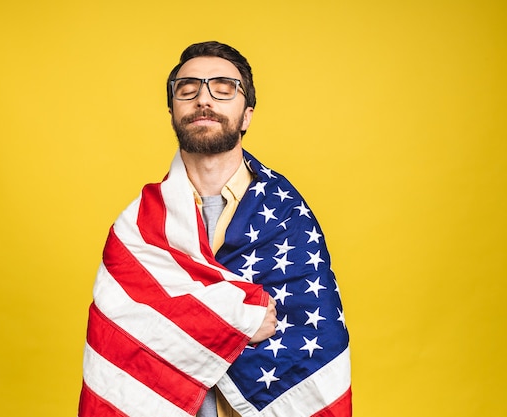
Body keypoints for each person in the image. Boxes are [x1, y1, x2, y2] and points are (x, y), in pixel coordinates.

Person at [79, 41, 351, 417]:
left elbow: (313, 339)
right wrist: (239, 319)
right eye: (187, 90)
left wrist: (196, 320)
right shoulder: (136, 229)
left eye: (223, 89)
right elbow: (124, 337)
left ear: (246, 115)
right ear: (173, 111)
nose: (203, 100)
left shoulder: (288, 217)